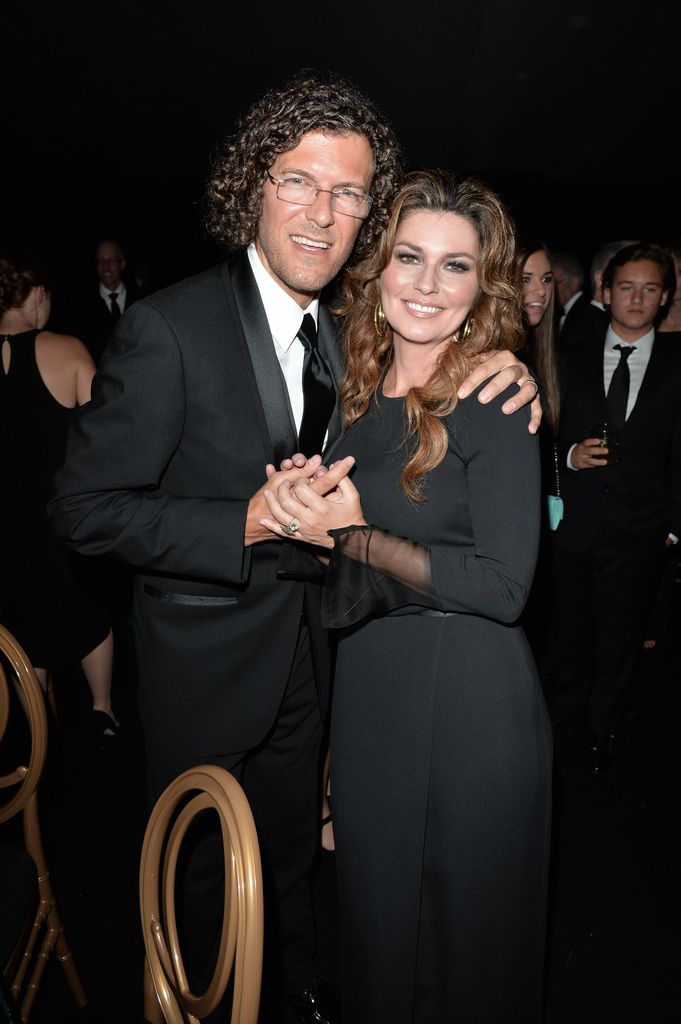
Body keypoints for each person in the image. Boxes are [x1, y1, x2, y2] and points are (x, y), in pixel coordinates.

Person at [48, 72, 541, 1021]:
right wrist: (246, 521)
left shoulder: (350, 336)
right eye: (298, 182)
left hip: (329, 673)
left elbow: (435, 352)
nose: (323, 212)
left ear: (367, 214)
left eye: (349, 192)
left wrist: (503, 356)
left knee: (296, 885)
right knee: (203, 895)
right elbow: (84, 508)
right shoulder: (169, 328)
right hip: (208, 665)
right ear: (251, 188)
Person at [260, 170, 552, 1022]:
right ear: (375, 271)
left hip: (467, 704)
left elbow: (504, 588)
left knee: (457, 958)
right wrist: (298, 517)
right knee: (383, 939)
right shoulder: (354, 403)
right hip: (373, 701)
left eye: (454, 267)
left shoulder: (492, 398)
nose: (427, 285)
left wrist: (351, 537)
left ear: (481, 287)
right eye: (408, 258)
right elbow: (348, 571)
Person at [543, 242, 681, 773]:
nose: (637, 298)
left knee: (620, 643)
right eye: (626, 287)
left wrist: (674, 529)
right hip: (574, 525)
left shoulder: (677, 366)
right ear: (606, 292)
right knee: (568, 638)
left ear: (664, 296)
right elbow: (543, 437)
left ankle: (604, 735)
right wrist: (571, 457)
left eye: (650, 288)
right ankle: (556, 731)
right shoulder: (569, 353)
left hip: (642, 533)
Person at [0, 248, 117, 739]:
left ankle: (36, 730)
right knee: (88, 613)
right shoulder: (67, 350)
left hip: (7, 524)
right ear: (40, 297)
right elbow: (106, 437)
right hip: (61, 517)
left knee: (23, 620)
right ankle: (103, 711)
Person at [516, 238, 561, 661]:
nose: (541, 290)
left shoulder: (538, 352)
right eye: (527, 277)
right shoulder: (500, 359)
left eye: (546, 279)